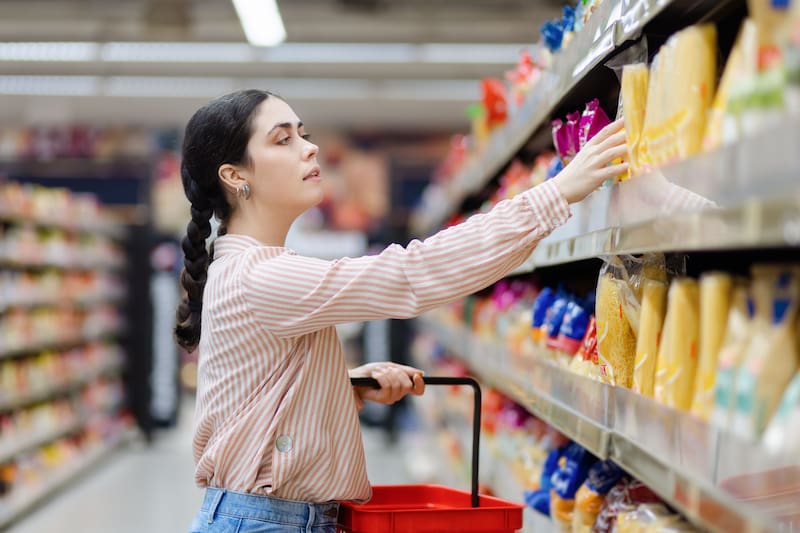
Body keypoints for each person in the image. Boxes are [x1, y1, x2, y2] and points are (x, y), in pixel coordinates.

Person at [177, 89, 627, 533]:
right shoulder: (261, 276)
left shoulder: (243, 270)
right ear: (235, 176)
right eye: (283, 139)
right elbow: (412, 274)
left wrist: (343, 385)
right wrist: (557, 194)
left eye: (303, 133)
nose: (309, 146)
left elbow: (250, 395)